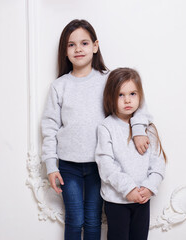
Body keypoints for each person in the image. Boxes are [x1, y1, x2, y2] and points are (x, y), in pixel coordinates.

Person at [41, 20, 151, 240]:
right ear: (65, 50)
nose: (78, 48)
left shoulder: (108, 79)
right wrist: (51, 165)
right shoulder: (59, 86)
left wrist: (138, 130)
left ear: (95, 46)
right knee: (74, 218)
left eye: (84, 43)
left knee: (92, 219)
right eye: (71, 45)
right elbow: (50, 127)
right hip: (68, 166)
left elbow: (137, 102)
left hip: (99, 165)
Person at [95, 68, 167, 240]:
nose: (127, 100)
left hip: (142, 200)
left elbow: (158, 162)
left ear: (140, 96)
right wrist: (128, 189)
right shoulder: (106, 127)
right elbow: (106, 166)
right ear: (111, 96)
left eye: (133, 93)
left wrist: (149, 187)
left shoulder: (147, 128)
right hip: (117, 201)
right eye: (121, 95)